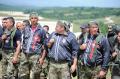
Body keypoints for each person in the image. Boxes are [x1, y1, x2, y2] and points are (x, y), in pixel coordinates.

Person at [19, 12, 46, 79]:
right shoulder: (26, 29)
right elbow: (23, 41)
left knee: (35, 75)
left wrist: (42, 58)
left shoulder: (42, 30)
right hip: (25, 55)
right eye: (32, 18)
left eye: (35, 18)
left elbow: (45, 45)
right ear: (29, 19)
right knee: (23, 75)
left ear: (38, 19)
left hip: (35, 55)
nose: (33, 20)